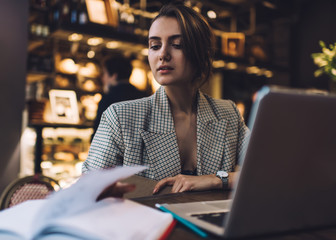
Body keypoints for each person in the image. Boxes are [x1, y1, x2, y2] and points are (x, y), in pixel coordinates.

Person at [83, 3, 249, 194]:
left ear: (202, 55)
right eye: (154, 46)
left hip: (213, 223)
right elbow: (87, 188)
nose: (162, 54)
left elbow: (269, 171)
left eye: (177, 45)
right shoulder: (120, 117)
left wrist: (215, 179)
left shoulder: (227, 113)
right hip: (145, 223)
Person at [92, 54, 148, 138]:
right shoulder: (145, 97)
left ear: (114, 76)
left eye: (104, 73)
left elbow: (98, 134)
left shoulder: (108, 99)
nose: (103, 78)